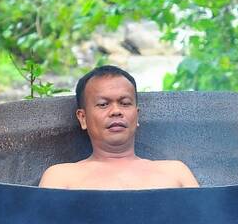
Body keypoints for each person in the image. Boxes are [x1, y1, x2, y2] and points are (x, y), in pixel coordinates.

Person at [39, 65, 200, 189]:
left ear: (136, 115)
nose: (116, 111)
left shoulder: (175, 174)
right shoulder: (61, 178)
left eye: (125, 103)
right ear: (83, 118)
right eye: (103, 104)